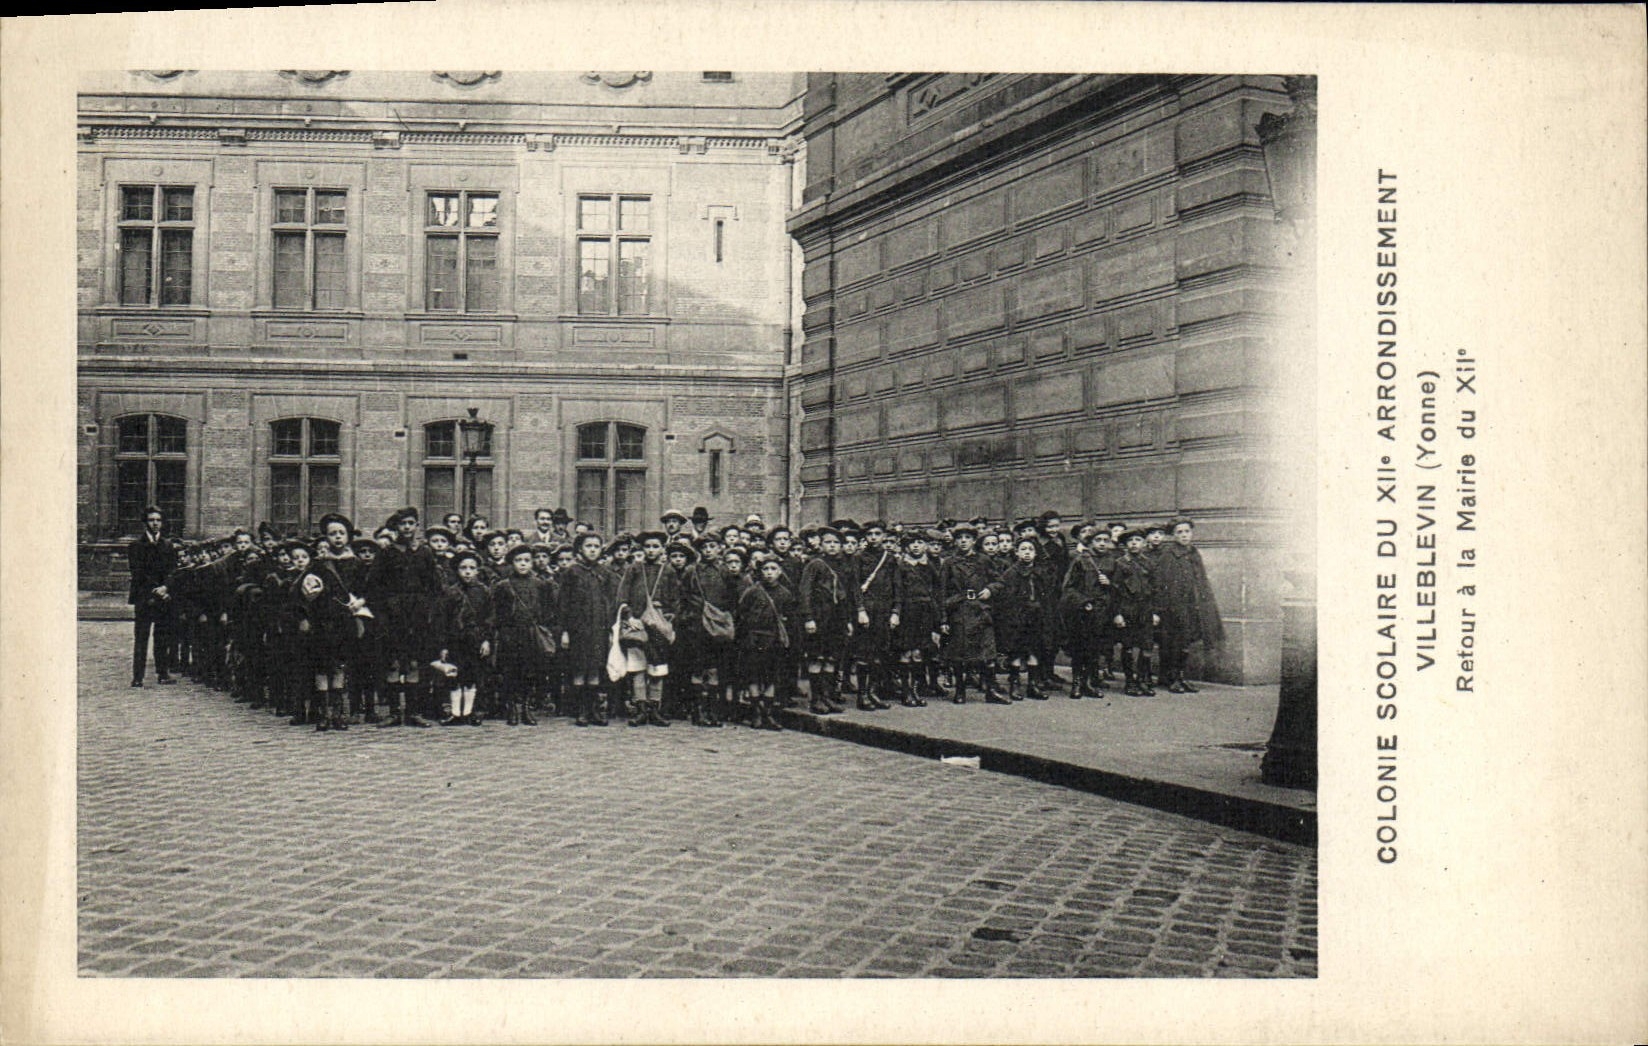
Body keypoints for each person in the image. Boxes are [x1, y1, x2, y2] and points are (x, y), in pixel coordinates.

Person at [616, 531, 680, 727]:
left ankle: (654, 709)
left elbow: (675, 600)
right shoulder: (634, 569)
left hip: (658, 627)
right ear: (642, 549)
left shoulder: (668, 571)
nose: (651, 550)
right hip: (637, 624)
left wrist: (667, 619)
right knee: (638, 667)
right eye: (647, 546)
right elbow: (622, 596)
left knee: (657, 668)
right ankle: (641, 709)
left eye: (655, 546)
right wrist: (629, 616)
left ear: (662, 549)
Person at [1154, 518, 1225, 692]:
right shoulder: (1168, 555)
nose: (1184, 535)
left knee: (1185, 643)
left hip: (1192, 606)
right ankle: (1172, 678)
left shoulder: (1193, 553)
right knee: (1173, 643)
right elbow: (1162, 583)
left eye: (1187, 531)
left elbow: (1201, 580)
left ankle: (1180, 677)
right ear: (1173, 535)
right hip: (1174, 607)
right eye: (1179, 532)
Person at [558, 532, 619, 726]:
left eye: (596, 546)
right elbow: (563, 604)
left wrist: (610, 629)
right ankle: (581, 710)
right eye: (588, 546)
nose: (592, 550)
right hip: (578, 629)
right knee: (579, 668)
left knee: (595, 669)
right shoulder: (572, 572)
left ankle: (594, 709)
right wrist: (565, 631)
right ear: (580, 549)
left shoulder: (605, 573)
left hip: (599, 628)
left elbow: (611, 602)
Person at [941, 522, 1006, 704]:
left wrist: (990, 590)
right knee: (960, 655)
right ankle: (960, 690)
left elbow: (1000, 581)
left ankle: (991, 691)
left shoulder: (983, 560)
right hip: (959, 611)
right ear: (955, 541)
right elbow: (942, 591)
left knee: (988, 653)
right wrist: (943, 619)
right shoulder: (949, 563)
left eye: (967, 538)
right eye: (960, 538)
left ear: (974, 540)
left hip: (980, 611)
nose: (963, 541)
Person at [492, 545, 556, 725]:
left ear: (532, 562)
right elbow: (497, 612)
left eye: (527, 560)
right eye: (518, 560)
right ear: (512, 563)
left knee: (530, 671)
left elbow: (547, 609)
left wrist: (540, 624)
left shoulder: (540, 584)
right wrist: (502, 631)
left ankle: (526, 708)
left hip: (531, 633)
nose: (523, 564)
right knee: (510, 671)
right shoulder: (503, 585)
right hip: (510, 633)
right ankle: (512, 708)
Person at [799, 527, 855, 714]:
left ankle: (827, 697)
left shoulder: (844, 565)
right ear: (821, 545)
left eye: (836, 543)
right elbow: (805, 592)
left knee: (831, 658)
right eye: (828, 543)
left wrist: (847, 620)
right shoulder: (815, 564)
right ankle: (816, 699)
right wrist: (808, 617)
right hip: (819, 616)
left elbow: (846, 595)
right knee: (816, 658)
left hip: (836, 618)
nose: (832, 546)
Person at [435, 550, 493, 725]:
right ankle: (455, 713)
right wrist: (444, 645)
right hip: (455, 640)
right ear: (457, 570)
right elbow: (443, 620)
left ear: (477, 570)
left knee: (472, 677)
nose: (467, 572)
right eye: (463, 568)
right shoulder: (450, 592)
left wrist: (486, 640)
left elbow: (490, 617)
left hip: (476, 640)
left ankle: (468, 712)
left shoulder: (484, 591)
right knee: (454, 676)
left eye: (472, 568)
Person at [736, 555, 794, 730]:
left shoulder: (785, 593)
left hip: (774, 639)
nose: (769, 573)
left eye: (773, 569)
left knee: (771, 677)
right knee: (753, 675)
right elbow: (741, 613)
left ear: (780, 571)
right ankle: (756, 713)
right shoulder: (752, 591)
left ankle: (768, 713)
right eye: (766, 569)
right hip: (753, 638)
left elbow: (789, 618)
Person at [128, 505, 178, 687]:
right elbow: (137, 572)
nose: (155, 523)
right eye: (151, 520)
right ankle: (138, 677)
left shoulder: (168, 545)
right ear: (145, 523)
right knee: (141, 637)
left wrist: (166, 587)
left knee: (162, 636)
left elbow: (172, 570)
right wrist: (155, 589)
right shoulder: (136, 546)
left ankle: (163, 673)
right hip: (144, 597)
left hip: (163, 598)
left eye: (158, 520)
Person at [1111, 528, 1159, 696]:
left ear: (1144, 543)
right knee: (1128, 646)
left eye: (1137, 540)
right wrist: (1117, 613)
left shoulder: (1149, 563)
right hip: (1127, 609)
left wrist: (1155, 612)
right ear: (1126, 544)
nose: (1134, 543)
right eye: (1130, 541)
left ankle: (1142, 680)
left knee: (1146, 646)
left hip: (1145, 609)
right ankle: (1130, 682)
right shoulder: (1120, 563)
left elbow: (1155, 589)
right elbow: (1114, 590)